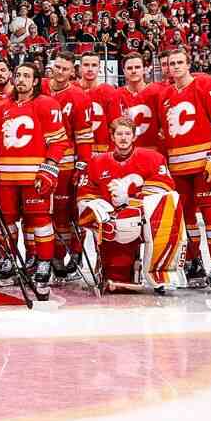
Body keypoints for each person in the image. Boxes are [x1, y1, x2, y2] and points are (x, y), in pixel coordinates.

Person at [77, 116, 185, 293]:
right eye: (119, 134)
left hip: (145, 219)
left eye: (128, 133)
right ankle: (113, 268)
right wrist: (98, 213)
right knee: (118, 283)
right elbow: (85, 196)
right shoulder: (96, 162)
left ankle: (162, 272)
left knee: (170, 203)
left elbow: (165, 190)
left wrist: (130, 200)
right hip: (113, 223)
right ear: (112, 137)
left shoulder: (153, 158)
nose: (124, 138)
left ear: (134, 136)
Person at [157, 47, 211, 289]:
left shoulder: (208, 85)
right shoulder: (166, 95)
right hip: (178, 168)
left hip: (204, 164)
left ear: (189, 63)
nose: (176, 67)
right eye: (171, 63)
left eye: (180, 62)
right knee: (185, 218)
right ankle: (194, 260)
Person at [0, 63, 67, 298]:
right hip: (6, 176)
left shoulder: (47, 104)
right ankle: (10, 259)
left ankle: (44, 262)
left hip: (34, 176)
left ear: (36, 81)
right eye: (19, 75)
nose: (21, 79)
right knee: (7, 222)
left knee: (40, 220)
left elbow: (58, 141)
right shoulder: (2, 107)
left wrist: (49, 169)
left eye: (27, 76)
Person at [42, 52, 95, 281]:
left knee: (68, 212)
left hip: (66, 163)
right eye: (57, 67)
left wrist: (82, 166)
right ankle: (47, 255)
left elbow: (84, 136)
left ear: (72, 72)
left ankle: (72, 253)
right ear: (51, 68)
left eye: (65, 69)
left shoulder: (79, 97)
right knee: (44, 212)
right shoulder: (40, 88)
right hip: (39, 160)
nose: (60, 72)